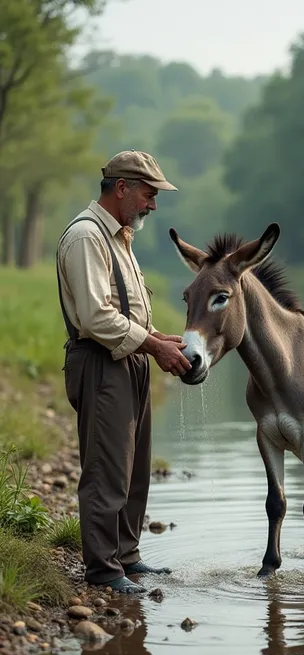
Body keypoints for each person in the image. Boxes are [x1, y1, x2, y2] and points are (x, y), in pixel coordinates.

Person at [56, 150, 192, 593]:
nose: (153, 205)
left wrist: (158, 337)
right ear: (122, 188)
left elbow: (125, 310)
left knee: (134, 469)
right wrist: (151, 345)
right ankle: (103, 569)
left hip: (128, 358)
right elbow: (96, 318)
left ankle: (127, 558)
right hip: (99, 362)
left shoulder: (120, 238)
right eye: (150, 194)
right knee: (106, 469)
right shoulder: (86, 237)